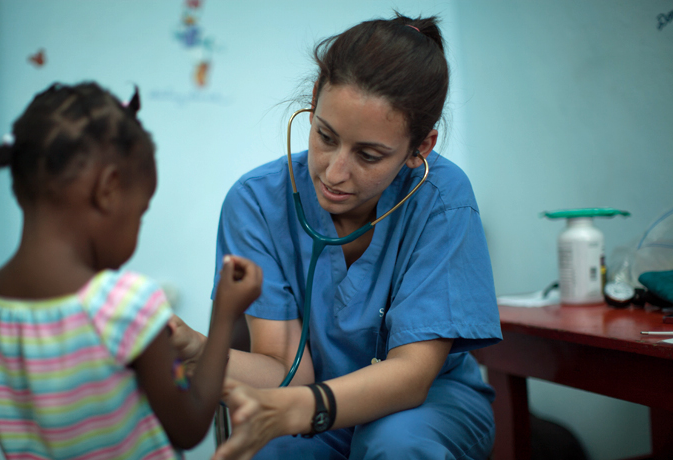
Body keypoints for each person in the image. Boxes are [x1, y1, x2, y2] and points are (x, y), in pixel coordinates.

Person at [170, 13, 503, 460]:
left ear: (420, 147)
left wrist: (301, 408)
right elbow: (287, 373)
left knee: (393, 444)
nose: (334, 171)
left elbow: (411, 375)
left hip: (428, 406)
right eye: (325, 136)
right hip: (307, 404)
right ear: (313, 101)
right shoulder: (256, 204)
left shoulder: (443, 201)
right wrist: (197, 349)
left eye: (369, 155)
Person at [0, 82, 263, 460]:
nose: (138, 227)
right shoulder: (121, 304)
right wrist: (226, 317)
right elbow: (188, 427)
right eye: (141, 212)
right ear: (108, 190)